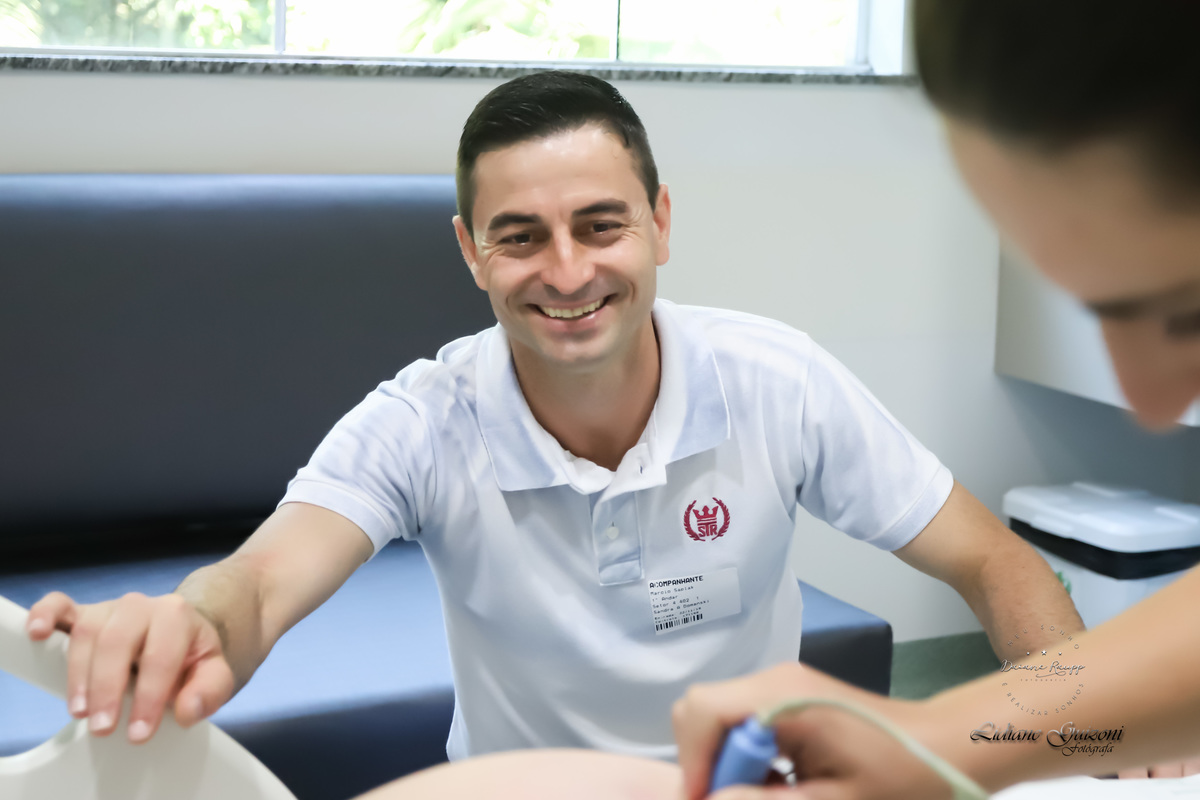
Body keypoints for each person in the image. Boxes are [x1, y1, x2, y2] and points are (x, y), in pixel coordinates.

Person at [24, 71, 1076, 769]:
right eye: (520, 236)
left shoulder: (777, 380)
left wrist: (1085, 736)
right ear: (470, 251)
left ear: (660, 223)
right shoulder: (423, 420)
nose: (567, 273)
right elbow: (255, 586)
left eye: (601, 225)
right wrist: (188, 621)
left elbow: (994, 561)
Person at [672, 2, 1200, 797]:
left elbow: (989, 559)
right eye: (1097, 311)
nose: (1148, 404)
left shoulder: (773, 375)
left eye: (1181, 309)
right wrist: (936, 739)